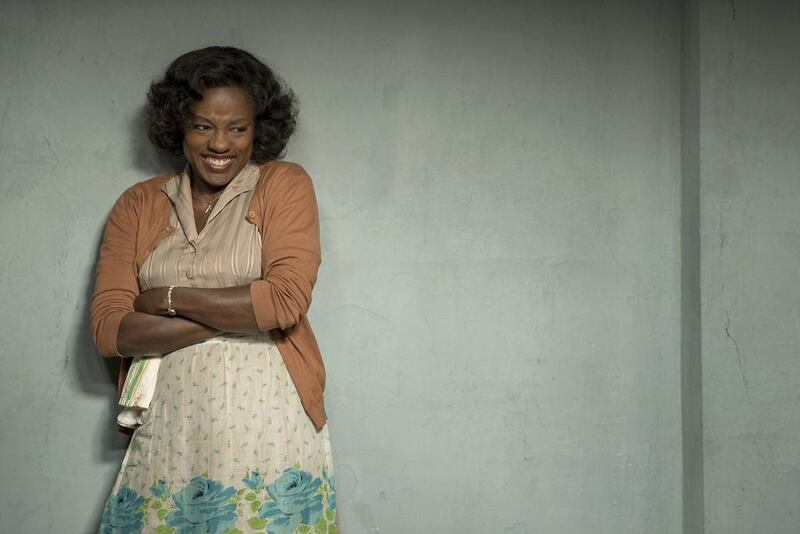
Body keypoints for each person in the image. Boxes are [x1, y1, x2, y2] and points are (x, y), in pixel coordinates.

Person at [91, 46, 337, 533]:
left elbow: (285, 300)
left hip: (271, 423)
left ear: (258, 129)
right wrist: (241, 311)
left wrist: (165, 299)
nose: (219, 144)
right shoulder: (137, 204)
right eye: (203, 125)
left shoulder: (282, 185)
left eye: (237, 128)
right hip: (170, 423)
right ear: (178, 124)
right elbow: (109, 331)